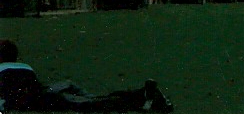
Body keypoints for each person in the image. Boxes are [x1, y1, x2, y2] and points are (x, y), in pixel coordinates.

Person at [0, 41, 173, 112]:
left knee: (95, 103)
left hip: (41, 99)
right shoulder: (25, 68)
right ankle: (142, 94)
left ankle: (144, 99)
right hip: (45, 94)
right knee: (93, 99)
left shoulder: (3, 72)